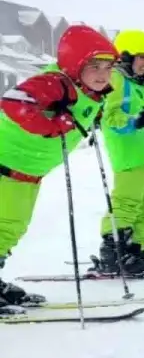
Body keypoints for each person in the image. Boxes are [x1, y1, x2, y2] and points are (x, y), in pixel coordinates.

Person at [0, 25, 116, 311]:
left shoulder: (89, 92)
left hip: (26, 172)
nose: (102, 74)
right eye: (94, 66)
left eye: (108, 67)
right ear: (75, 65)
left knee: (11, 229)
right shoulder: (57, 82)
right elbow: (14, 102)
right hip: (6, 165)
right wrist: (51, 127)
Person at [94, 30, 144, 276]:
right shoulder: (118, 79)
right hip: (130, 153)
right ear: (126, 56)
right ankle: (114, 251)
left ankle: (136, 249)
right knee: (127, 202)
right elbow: (109, 116)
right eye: (141, 57)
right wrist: (133, 121)